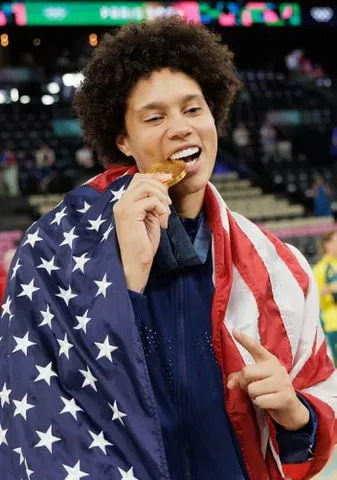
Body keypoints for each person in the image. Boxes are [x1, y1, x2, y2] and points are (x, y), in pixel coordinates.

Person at [0, 18, 336, 480]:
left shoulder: (279, 267)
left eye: (193, 110)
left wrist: (295, 413)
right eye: (154, 117)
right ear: (123, 140)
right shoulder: (54, 252)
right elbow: (41, 407)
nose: (181, 128)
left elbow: (318, 407)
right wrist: (124, 281)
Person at [313, 231, 337, 366]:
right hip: (334, 322)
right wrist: (329, 290)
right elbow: (315, 298)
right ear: (327, 244)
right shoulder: (320, 269)